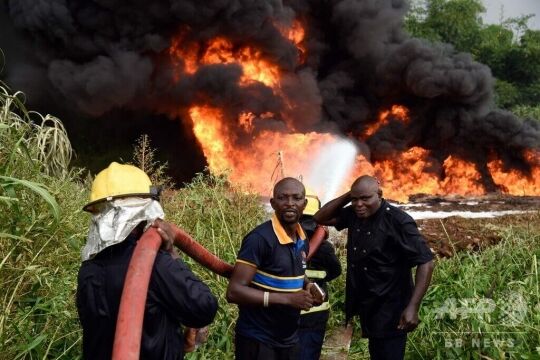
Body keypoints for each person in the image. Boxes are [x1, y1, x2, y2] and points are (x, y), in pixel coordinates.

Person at [76, 162, 218, 360]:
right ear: (144, 211)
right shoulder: (154, 264)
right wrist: (171, 253)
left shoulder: (88, 270)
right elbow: (204, 307)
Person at [313, 175, 435, 360]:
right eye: (355, 199)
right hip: (368, 304)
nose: (359, 204)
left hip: (392, 307)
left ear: (379, 194)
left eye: (365, 198)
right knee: (376, 353)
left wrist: (413, 307)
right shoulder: (354, 213)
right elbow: (320, 217)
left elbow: (426, 261)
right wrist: (350, 195)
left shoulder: (398, 221)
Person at [226, 177, 323, 360]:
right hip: (258, 339)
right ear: (272, 203)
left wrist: (308, 286)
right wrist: (287, 299)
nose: (289, 204)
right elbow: (234, 292)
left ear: (305, 203)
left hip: (289, 339)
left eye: (296, 198)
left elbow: (292, 273)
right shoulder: (259, 239)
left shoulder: (302, 239)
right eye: (282, 198)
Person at [298, 190, 342, 360]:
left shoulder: (282, 240)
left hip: (286, 306)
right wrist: (319, 280)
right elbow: (336, 270)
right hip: (315, 309)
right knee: (308, 351)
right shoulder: (324, 247)